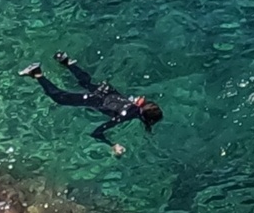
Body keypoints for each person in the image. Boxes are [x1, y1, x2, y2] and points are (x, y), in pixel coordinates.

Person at [19, 52, 162, 155]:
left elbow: (138, 111)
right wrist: (112, 145)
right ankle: (36, 72)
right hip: (98, 99)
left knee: (86, 82)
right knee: (60, 98)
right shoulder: (125, 116)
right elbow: (97, 132)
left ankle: (66, 61)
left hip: (106, 91)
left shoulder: (136, 106)